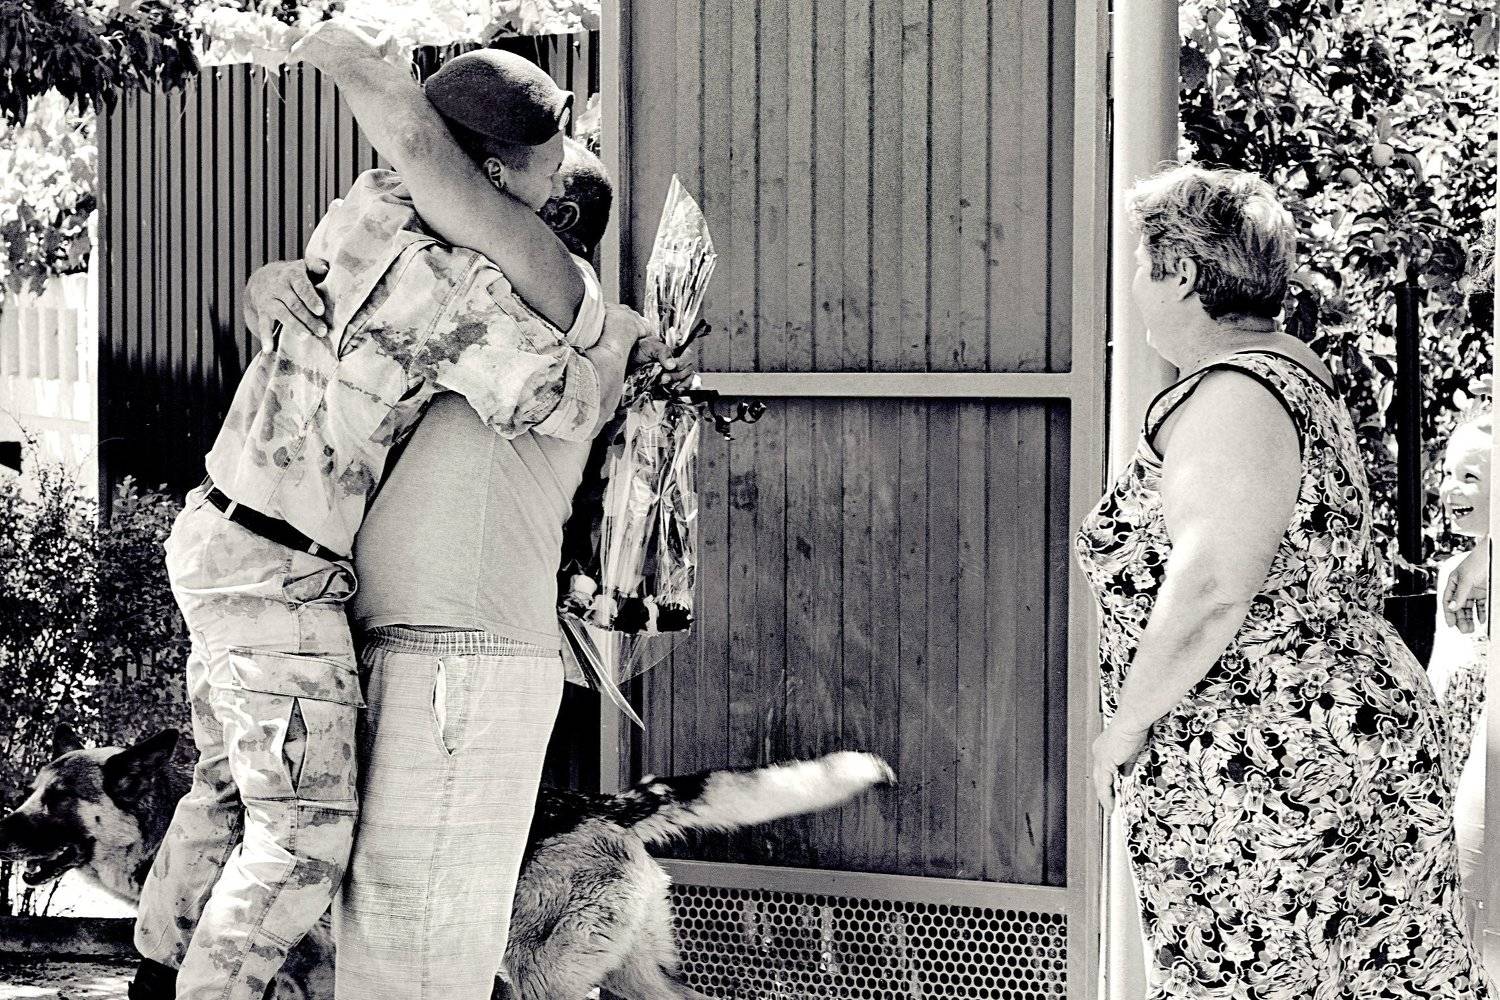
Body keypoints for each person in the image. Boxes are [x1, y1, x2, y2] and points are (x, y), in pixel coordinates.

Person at [128, 29, 653, 1000]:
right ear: (492, 178)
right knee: (301, 838)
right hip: (281, 574)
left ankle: (156, 971)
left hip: (215, 534)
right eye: (543, 176)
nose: (552, 192)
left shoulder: (361, 206)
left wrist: (264, 281)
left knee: (226, 786)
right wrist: (613, 336)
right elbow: (567, 401)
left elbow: (393, 189)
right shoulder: (459, 293)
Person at [1076, 164, 1494, 997]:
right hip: (1326, 740)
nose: (1133, 286)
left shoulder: (1237, 394)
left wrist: (1121, 731)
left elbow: (1209, 589)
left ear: (1182, 273)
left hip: (1270, 762)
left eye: (1141, 264)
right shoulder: (1294, 381)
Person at [1428, 402, 1492, 935]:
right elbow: (1440, 674)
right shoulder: (1454, 572)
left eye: (1470, 476)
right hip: (1456, 759)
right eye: (1447, 473)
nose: (1450, 488)